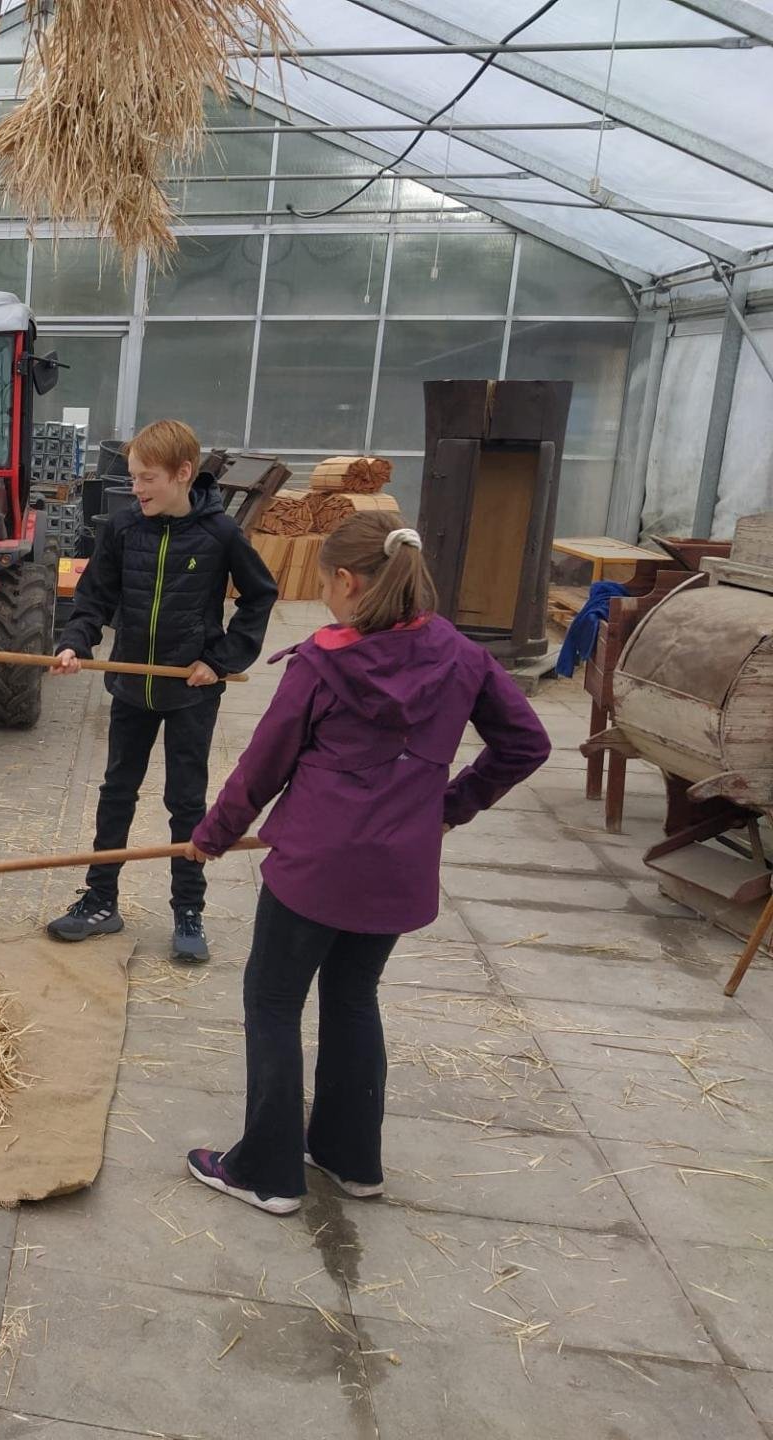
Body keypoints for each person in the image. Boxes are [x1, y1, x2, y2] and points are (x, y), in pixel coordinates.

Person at [183, 514, 549, 1214]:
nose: (324, 597)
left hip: (316, 868)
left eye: (325, 584)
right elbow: (526, 744)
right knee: (353, 997)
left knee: (273, 1001)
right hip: (396, 868)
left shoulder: (323, 663)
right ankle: (349, 1157)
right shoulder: (461, 655)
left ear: (348, 582)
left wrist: (214, 834)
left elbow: (263, 767)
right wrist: (448, 806)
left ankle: (266, 1172)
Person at [46, 419, 277, 962]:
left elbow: (260, 596)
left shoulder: (220, 534)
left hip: (190, 692)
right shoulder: (123, 528)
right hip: (131, 684)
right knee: (116, 792)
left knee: (186, 802)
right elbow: (94, 596)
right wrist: (76, 643)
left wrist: (218, 662)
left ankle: (188, 909)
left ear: (182, 474)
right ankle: (101, 900)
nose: (137, 489)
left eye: (147, 478)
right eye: (132, 477)